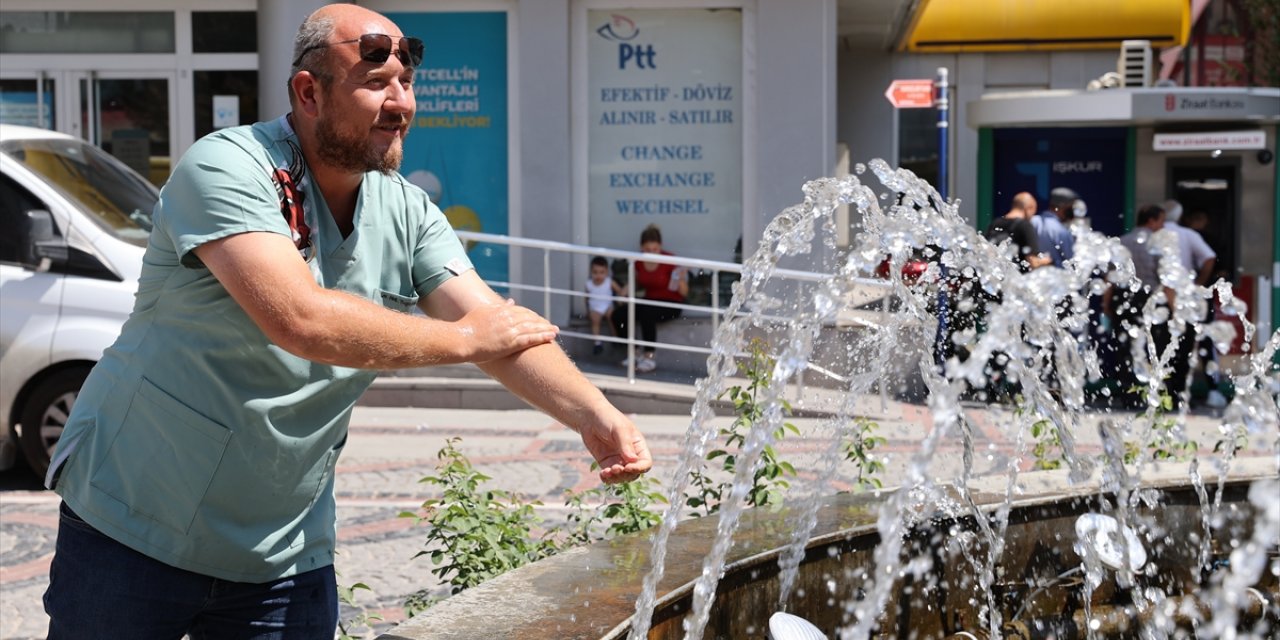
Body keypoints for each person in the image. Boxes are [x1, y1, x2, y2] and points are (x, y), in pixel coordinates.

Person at [40, 5, 652, 638]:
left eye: (407, 84)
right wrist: (465, 341)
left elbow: (496, 325)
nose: (400, 104)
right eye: (375, 83)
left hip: (281, 553)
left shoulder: (407, 210)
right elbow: (300, 318)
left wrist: (592, 412)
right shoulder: (226, 166)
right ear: (309, 91)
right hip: (131, 524)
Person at [1104, 203, 1173, 405]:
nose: (1163, 226)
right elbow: (1166, 279)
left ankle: (1128, 391)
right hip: (1151, 298)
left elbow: (1111, 278)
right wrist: (1173, 306)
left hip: (1123, 297)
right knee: (1156, 345)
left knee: (1125, 345)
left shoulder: (1121, 243)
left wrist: (1106, 305)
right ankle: (1154, 392)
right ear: (1151, 221)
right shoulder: (1157, 245)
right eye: (1161, 221)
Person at [617, 224, 687, 373]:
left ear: (660, 247)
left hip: (671, 303)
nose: (652, 253)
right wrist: (622, 293)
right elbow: (635, 281)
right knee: (619, 314)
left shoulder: (670, 260)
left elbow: (684, 292)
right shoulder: (638, 261)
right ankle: (634, 353)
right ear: (642, 247)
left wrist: (680, 279)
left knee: (646, 313)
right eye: (648, 250)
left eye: (655, 250)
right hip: (650, 301)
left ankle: (649, 357)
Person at [984, 191, 1051, 272]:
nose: (1032, 216)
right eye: (1034, 211)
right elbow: (1033, 262)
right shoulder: (1025, 226)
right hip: (1015, 280)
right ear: (1028, 208)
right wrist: (1048, 260)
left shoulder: (995, 223)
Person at [1030, 187, 1080, 268]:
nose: (1072, 211)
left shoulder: (1032, 221)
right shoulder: (1062, 231)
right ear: (1062, 206)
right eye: (1070, 207)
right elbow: (1072, 265)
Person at [585, 255, 623, 354]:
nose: (598, 275)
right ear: (591, 272)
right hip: (595, 307)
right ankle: (597, 343)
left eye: (602, 272)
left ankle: (615, 338)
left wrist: (621, 299)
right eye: (595, 272)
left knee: (612, 316)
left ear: (607, 272)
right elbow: (586, 298)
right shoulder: (589, 284)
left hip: (607, 306)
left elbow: (619, 291)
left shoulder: (609, 282)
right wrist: (587, 310)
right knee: (595, 320)